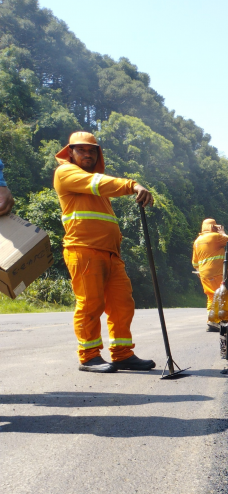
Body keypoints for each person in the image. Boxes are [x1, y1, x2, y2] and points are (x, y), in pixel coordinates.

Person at [54, 132, 156, 373]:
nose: (87, 154)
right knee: (90, 304)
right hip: (83, 249)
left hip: (110, 253)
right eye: (81, 150)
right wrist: (133, 185)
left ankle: (122, 354)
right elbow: (100, 184)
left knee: (122, 304)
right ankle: (89, 356)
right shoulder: (66, 173)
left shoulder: (94, 183)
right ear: (70, 152)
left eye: (92, 150)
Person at [193, 219, 228, 331]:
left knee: (211, 296)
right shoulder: (215, 237)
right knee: (222, 295)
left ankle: (212, 320)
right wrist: (222, 232)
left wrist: (200, 271)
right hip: (217, 273)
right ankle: (220, 320)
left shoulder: (197, 241)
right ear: (212, 227)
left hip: (203, 274)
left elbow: (195, 263)